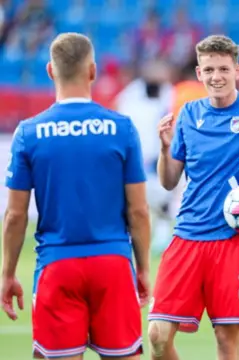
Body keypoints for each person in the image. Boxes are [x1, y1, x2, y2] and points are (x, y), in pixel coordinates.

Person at [0, 33, 151, 360]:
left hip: (58, 265)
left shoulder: (29, 132)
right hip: (113, 263)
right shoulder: (121, 128)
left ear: (51, 71)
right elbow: (138, 211)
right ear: (93, 71)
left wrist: (8, 273)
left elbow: (15, 215)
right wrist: (142, 269)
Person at [147, 35, 239, 360]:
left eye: (223, 68)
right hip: (186, 238)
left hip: (231, 242)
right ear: (199, 73)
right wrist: (165, 147)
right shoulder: (187, 114)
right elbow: (169, 181)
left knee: (226, 342)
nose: (216, 76)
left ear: (237, 70)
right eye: (209, 69)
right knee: (157, 336)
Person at [116, 59, 175, 255]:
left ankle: (162, 237)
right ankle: (133, 237)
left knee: (163, 201)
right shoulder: (131, 98)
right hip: (136, 159)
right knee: (134, 203)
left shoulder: (168, 95)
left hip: (157, 158)